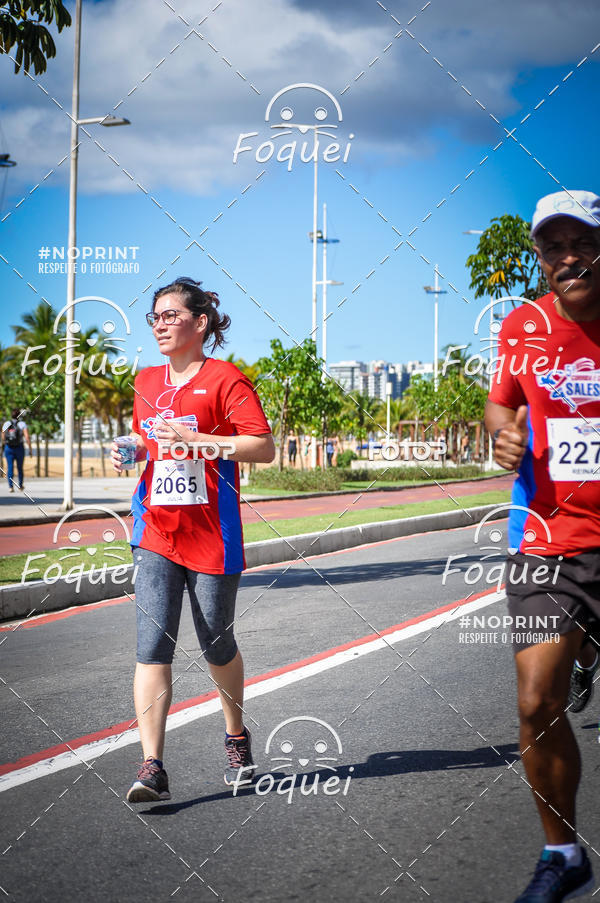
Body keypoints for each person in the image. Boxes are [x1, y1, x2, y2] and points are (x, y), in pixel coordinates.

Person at [111, 277, 274, 803]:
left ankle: (235, 738)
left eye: (169, 315)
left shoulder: (225, 379)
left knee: (216, 642)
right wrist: (131, 450)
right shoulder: (145, 381)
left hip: (212, 534)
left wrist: (200, 440)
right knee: (152, 646)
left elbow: (263, 447)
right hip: (155, 530)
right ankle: (152, 765)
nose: (159, 325)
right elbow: (147, 441)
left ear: (199, 322)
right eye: (153, 318)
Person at [485, 190, 600, 902]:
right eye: (553, 247)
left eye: (581, 242)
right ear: (539, 258)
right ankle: (562, 853)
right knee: (535, 702)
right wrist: (505, 430)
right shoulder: (520, 326)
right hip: (548, 541)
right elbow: (504, 399)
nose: (568, 258)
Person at [2, 407, 32, 492]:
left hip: (9, 448)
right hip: (19, 447)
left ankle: (11, 487)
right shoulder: (22, 424)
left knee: (10, 467)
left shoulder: (6, 423)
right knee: (20, 467)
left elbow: (3, 436)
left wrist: (5, 444)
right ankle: (20, 485)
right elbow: (27, 437)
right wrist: (30, 449)